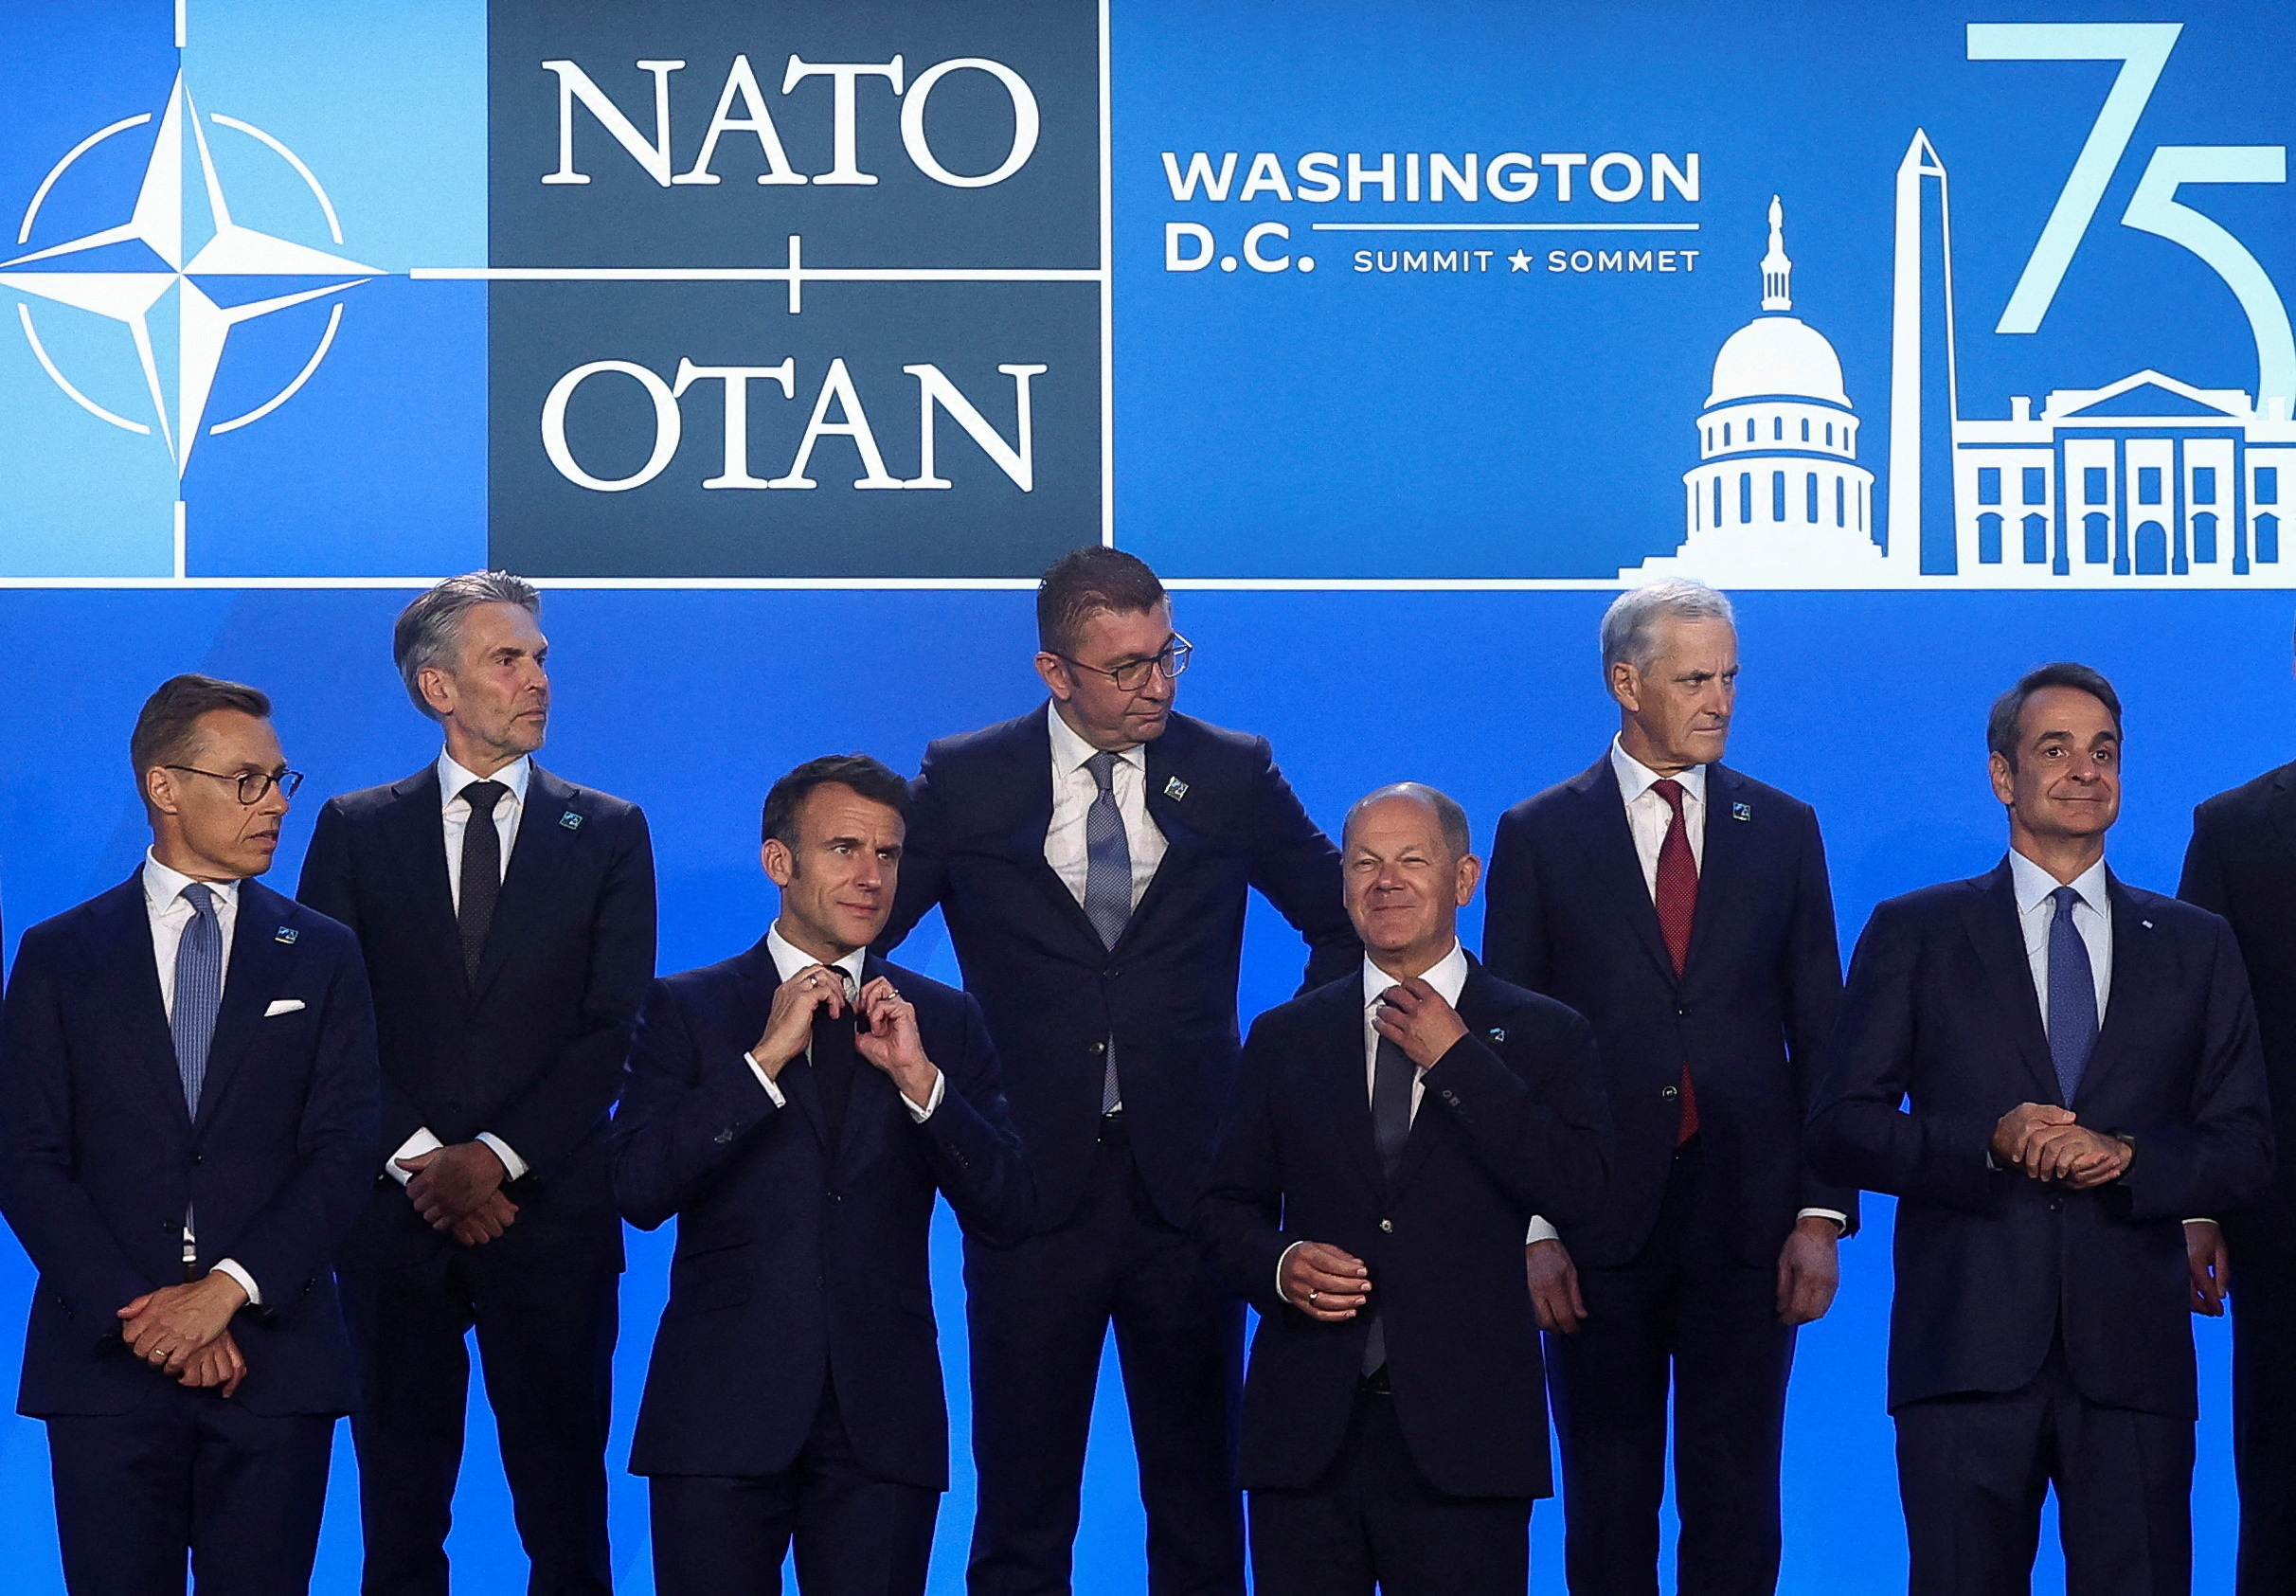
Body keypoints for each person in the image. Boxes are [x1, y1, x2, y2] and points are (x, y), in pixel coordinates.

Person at [878, 547, 1357, 1596]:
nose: (1158, 685)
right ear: (1056, 672)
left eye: (1167, 654)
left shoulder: (1230, 770)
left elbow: (1341, 915)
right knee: (1021, 1508)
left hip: (1193, 1190)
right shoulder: (967, 776)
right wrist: (937, 1062)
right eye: (1128, 666)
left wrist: (1284, 1065)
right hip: (1026, 1189)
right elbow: (863, 929)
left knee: (1198, 1502)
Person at [1809, 662, 2272, 1596]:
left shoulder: (2193, 942)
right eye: (2054, 748)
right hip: (1965, 1358)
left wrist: (2133, 1156)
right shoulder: (1918, 931)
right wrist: (1986, 1140)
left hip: (2132, 1360)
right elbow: (1841, 1124)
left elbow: (2246, 1144)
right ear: (2002, 775)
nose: (2084, 769)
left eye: (2103, 751)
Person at [1481, 579, 1853, 1596]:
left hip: (1751, 1216)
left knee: (1738, 1499)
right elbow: (1508, 1046)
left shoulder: (1782, 827)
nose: (1720, 699)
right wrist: (1534, 1227)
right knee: (1606, 1502)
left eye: (1730, 675)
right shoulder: (1540, 832)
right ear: (1625, 682)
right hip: (1597, 1218)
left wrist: (1822, 1211)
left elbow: (1821, 1032)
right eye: (1695, 677)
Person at [297, 572, 656, 1596]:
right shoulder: (356, 829)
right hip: (391, 1223)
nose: (538, 677)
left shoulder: (611, 830)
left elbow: (611, 1031)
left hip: (547, 1222)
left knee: (567, 1520)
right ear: (438, 686)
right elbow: (334, 1021)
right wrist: (424, 1162)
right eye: (510, 658)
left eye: (541, 657)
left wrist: (490, 1161)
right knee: (399, 1516)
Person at [612, 754, 1031, 1596]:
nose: (872, 877)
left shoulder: (940, 1020)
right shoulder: (687, 1007)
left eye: (888, 854)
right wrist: (762, 1063)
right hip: (720, 1416)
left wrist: (924, 1085)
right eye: (845, 848)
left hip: (884, 1422)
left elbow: (1009, 1210)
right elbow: (637, 1187)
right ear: (779, 863)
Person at [0, 673, 379, 1594]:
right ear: (165, 787)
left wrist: (225, 1289)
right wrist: (146, 1315)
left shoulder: (322, 952)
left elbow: (345, 1144)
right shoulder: (60, 954)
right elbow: (26, 1153)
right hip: (104, 1364)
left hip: (273, 1358)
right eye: (246, 779)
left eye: (281, 779)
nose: (275, 805)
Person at [1194, 783, 1609, 1596]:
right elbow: (1221, 1210)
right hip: (1306, 1441)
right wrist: (1280, 1264)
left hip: (1467, 1442)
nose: (1385, 882)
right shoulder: (1285, 1036)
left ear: (1464, 877)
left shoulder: (1546, 1033)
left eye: (1410, 860)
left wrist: (1457, 1059)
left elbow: (1582, 1188)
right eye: (1364, 863)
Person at [2179, 667, 2296, 1596]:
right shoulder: (2236, 826)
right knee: (2284, 1478)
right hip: (2285, 1223)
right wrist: (2197, 1202)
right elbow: (2197, 1032)